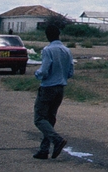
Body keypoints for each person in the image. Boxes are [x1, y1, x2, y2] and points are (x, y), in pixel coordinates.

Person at [32, 24, 74, 160]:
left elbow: (44, 70)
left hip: (48, 87)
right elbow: (70, 72)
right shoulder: (66, 50)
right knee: (50, 119)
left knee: (39, 118)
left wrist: (37, 74)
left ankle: (57, 140)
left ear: (48, 36)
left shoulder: (48, 50)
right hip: (60, 88)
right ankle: (44, 150)